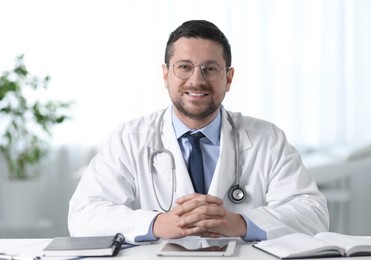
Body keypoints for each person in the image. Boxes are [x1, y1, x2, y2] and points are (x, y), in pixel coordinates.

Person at [68, 20, 329, 244]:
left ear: (228, 78)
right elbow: (84, 215)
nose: (196, 80)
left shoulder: (266, 139)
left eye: (210, 68)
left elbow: (313, 213)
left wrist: (241, 224)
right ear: (165, 74)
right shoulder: (129, 139)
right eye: (184, 67)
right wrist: (158, 224)